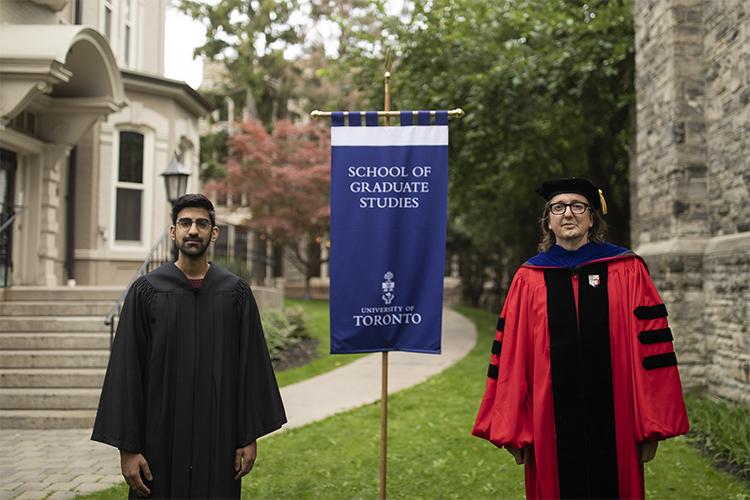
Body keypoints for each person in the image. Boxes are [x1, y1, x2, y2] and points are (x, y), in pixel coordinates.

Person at [472, 178, 689, 499]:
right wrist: (516, 429)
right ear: (548, 221)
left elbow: (652, 352)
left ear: (591, 218)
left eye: (577, 206)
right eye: (558, 208)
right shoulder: (528, 279)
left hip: (618, 421)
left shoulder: (627, 269)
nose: (568, 214)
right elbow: (512, 359)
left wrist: (651, 425)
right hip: (549, 424)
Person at [92, 193, 286, 499]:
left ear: (214, 232)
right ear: (173, 231)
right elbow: (126, 371)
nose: (193, 230)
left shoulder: (235, 293)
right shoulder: (147, 291)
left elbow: (250, 367)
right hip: (158, 444)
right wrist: (127, 449)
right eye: (185, 223)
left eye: (201, 223)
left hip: (218, 442)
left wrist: (248, 437)